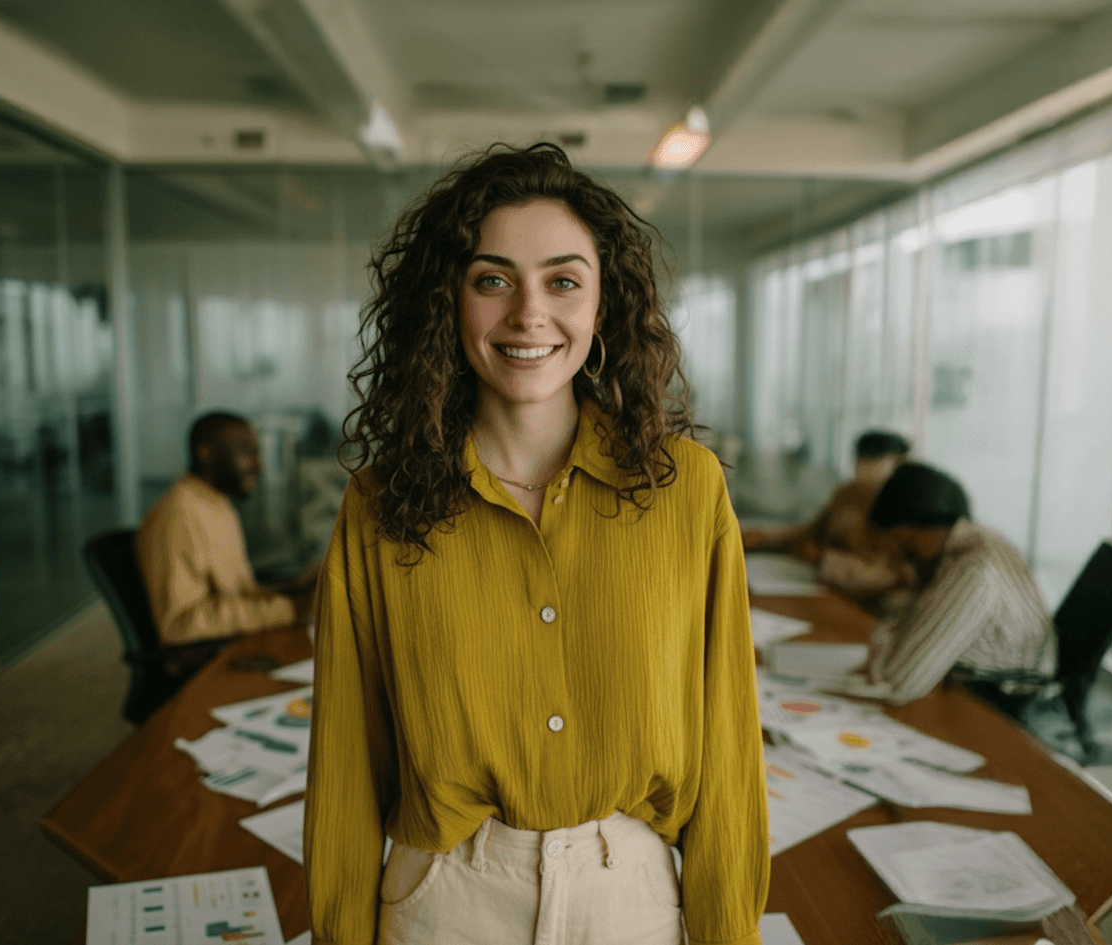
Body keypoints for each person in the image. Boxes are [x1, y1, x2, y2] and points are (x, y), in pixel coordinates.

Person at [305, 144, 767, 945]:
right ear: (448, 303)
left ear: (602, 306)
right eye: (492, 280)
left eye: (562, 280)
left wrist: (729, 933)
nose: (527, 314)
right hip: (445, 896)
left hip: (628, 895)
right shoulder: (378, 503)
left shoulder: (685, 488)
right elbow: (344, 763)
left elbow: (729, 747)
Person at [861, 462, 1056, 709]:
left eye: (904, 544)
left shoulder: (973, 570)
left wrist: (883, 634)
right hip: (989, 689)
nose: (902, 559)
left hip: (994, 706)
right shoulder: (979, 541)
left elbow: (898, 684)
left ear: (923, 530)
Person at [136, 412, 311, 650]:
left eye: (257, 453)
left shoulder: (216, 503)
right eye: (246, 452)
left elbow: (236, 594)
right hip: (208, 661)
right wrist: (289, 609)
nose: (258, 464)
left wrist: (297, 588)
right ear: (205, 453)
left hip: (238, 642)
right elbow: (180, 624)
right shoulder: (178, 516)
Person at [743, 429, 913, 608]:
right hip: (823, 591)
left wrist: (822, 559)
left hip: (866, 604)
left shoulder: (904, 508)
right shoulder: (847, 493)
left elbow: (891, 575)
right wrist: (762, 538)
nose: (864, 464)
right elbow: (810, 534)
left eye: (874, 458)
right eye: (861, 457)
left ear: (899, 461)